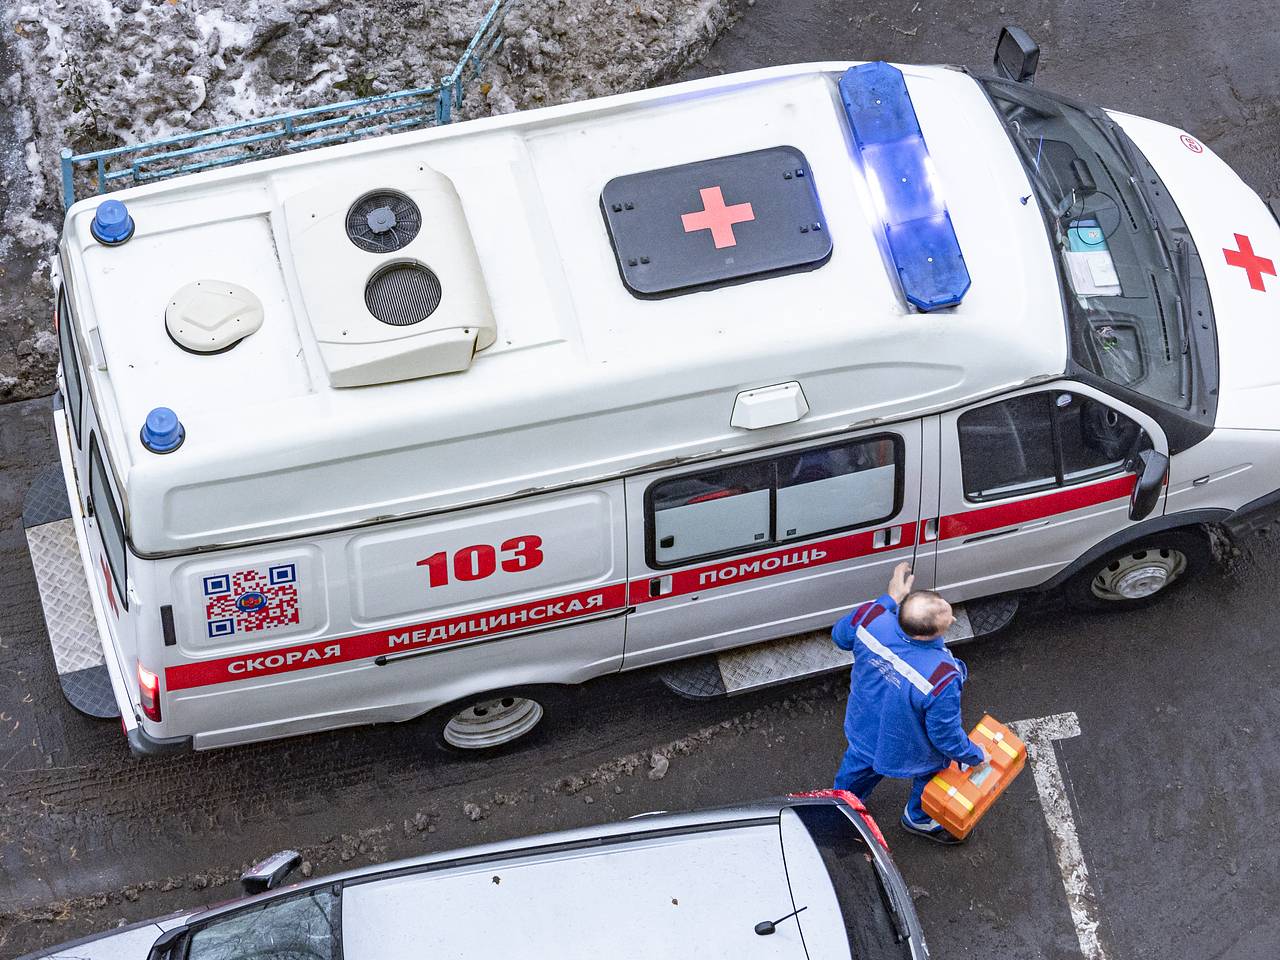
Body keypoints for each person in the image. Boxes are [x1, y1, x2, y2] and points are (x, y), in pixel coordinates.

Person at [831, 561, 988, 844]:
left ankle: (842, 809)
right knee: (936, 769)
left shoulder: (872, 618)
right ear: (941, 630)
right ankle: (918, 817)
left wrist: (888, 599)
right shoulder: (941, 676)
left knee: (855, 770)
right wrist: (974, 755)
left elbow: (840, 636)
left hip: (864, 727)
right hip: (908, 747)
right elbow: (945, 736)